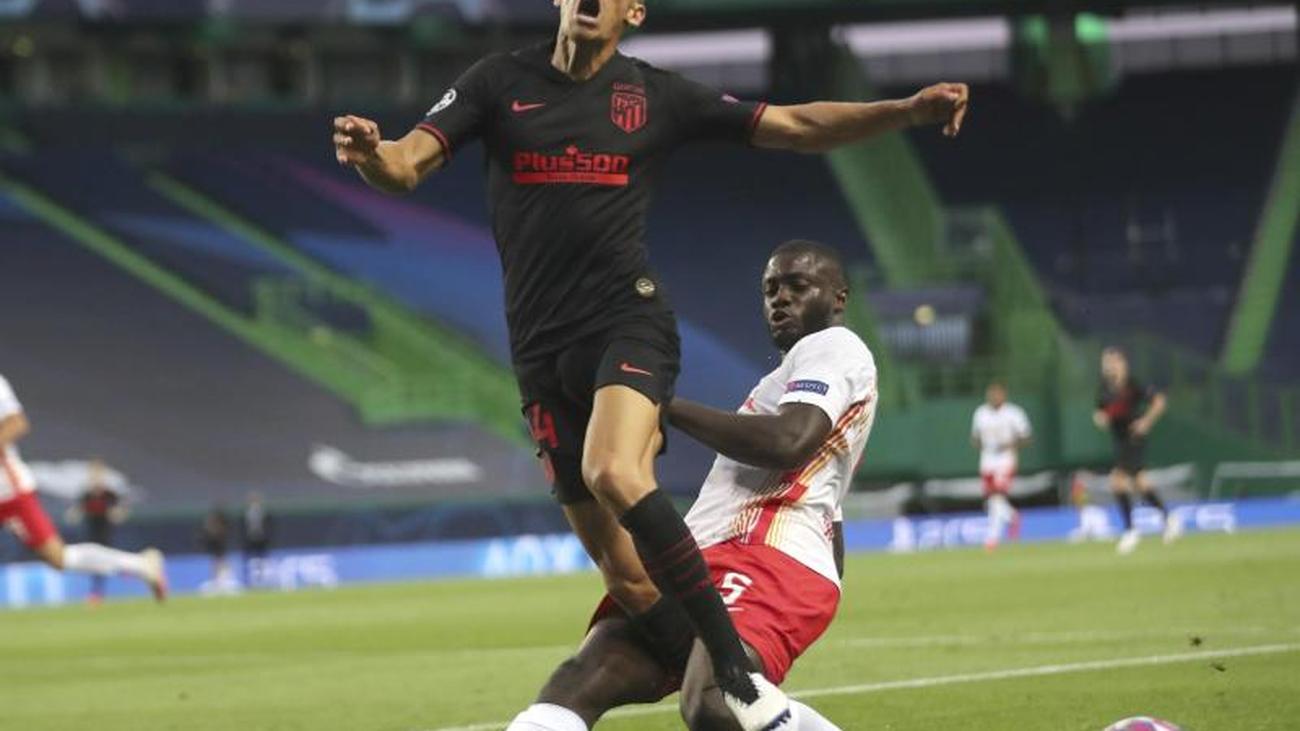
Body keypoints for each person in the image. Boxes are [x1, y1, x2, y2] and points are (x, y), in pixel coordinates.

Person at [332, 0, 964, 723]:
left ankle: (730, 665)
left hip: (625, 322)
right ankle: (737, 691)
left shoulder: (654, 95)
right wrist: (371, 153)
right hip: (538, 352)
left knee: (614, 470)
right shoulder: (496, 82)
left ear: (633, 10)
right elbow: (403, 165)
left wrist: (905, 111)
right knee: (626, 577)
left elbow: (794, 125)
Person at [505, 241, 876, 731]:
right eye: (771, 289)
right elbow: (829, 502)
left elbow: (788, 441)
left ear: (838, 298)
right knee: (579, 681)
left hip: (762, 554)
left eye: (798, 286)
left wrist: (657, 402)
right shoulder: (789, 379)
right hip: (703, 560)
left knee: (718, 701)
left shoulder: (833, 347)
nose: (780, 298)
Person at [0, 373, 166, 601]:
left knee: (58, 557)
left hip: (8, 492)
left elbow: (16, 422)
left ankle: (141, 565)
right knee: (58, 558)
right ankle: (141, 565)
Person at [1093, 347, 1180, 554]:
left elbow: (1159, 401)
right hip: (1119, 439)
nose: (1108, 366)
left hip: (1133, 437)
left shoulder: (1133, 384)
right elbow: (1100, 411)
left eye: (1112, 362)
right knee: (1141, 483)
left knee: (1117, 481)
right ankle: (1169, 519)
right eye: (1106, 362)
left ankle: (1130, 531)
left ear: (1122, 363)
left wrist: (1146, 421)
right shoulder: (1104, 388)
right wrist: (1100, 418)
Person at [970, 381, 1031, 550]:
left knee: (997, 496)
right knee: (992, 499)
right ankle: (1012, 517)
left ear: (1004, 395)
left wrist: (1009, 445)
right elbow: (975, 437)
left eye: (997, 394)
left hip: (1005, 460)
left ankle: (992, 538)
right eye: (991, 394)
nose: (994, 397)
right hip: (987, 460)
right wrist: (983, 445)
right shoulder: (981, 413)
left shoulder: (1014, 413)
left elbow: (1026, 437)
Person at [65, 459, 129, 603]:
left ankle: (126, 570)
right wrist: (73, 515)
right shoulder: (86, 495)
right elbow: (74, 513)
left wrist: (116, 514)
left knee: (111, 556)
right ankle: (96, 592)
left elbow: (120, 513)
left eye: (98, 474)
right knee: (96, 564)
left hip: (107, 534)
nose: (95, 478)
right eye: (93, 474)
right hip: (91, 534)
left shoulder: (110, 495)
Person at [199, 504, 236, 593]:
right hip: (215, 547)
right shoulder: (211, 528)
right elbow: (206, 535)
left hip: (220, 547)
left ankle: (225, 581)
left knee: (222, 562)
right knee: (216, 563)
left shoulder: (223, 528)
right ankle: (217, 582)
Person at [240, 491, 273, 588]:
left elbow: (268, 526)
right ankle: (249, 580)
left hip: (262, 540)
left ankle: (263, 579)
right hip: (250, 540)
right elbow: (243, 528)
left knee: (262, 560)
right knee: (250, 560)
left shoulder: (264, 512)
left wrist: (266, 537)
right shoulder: (246, 513)